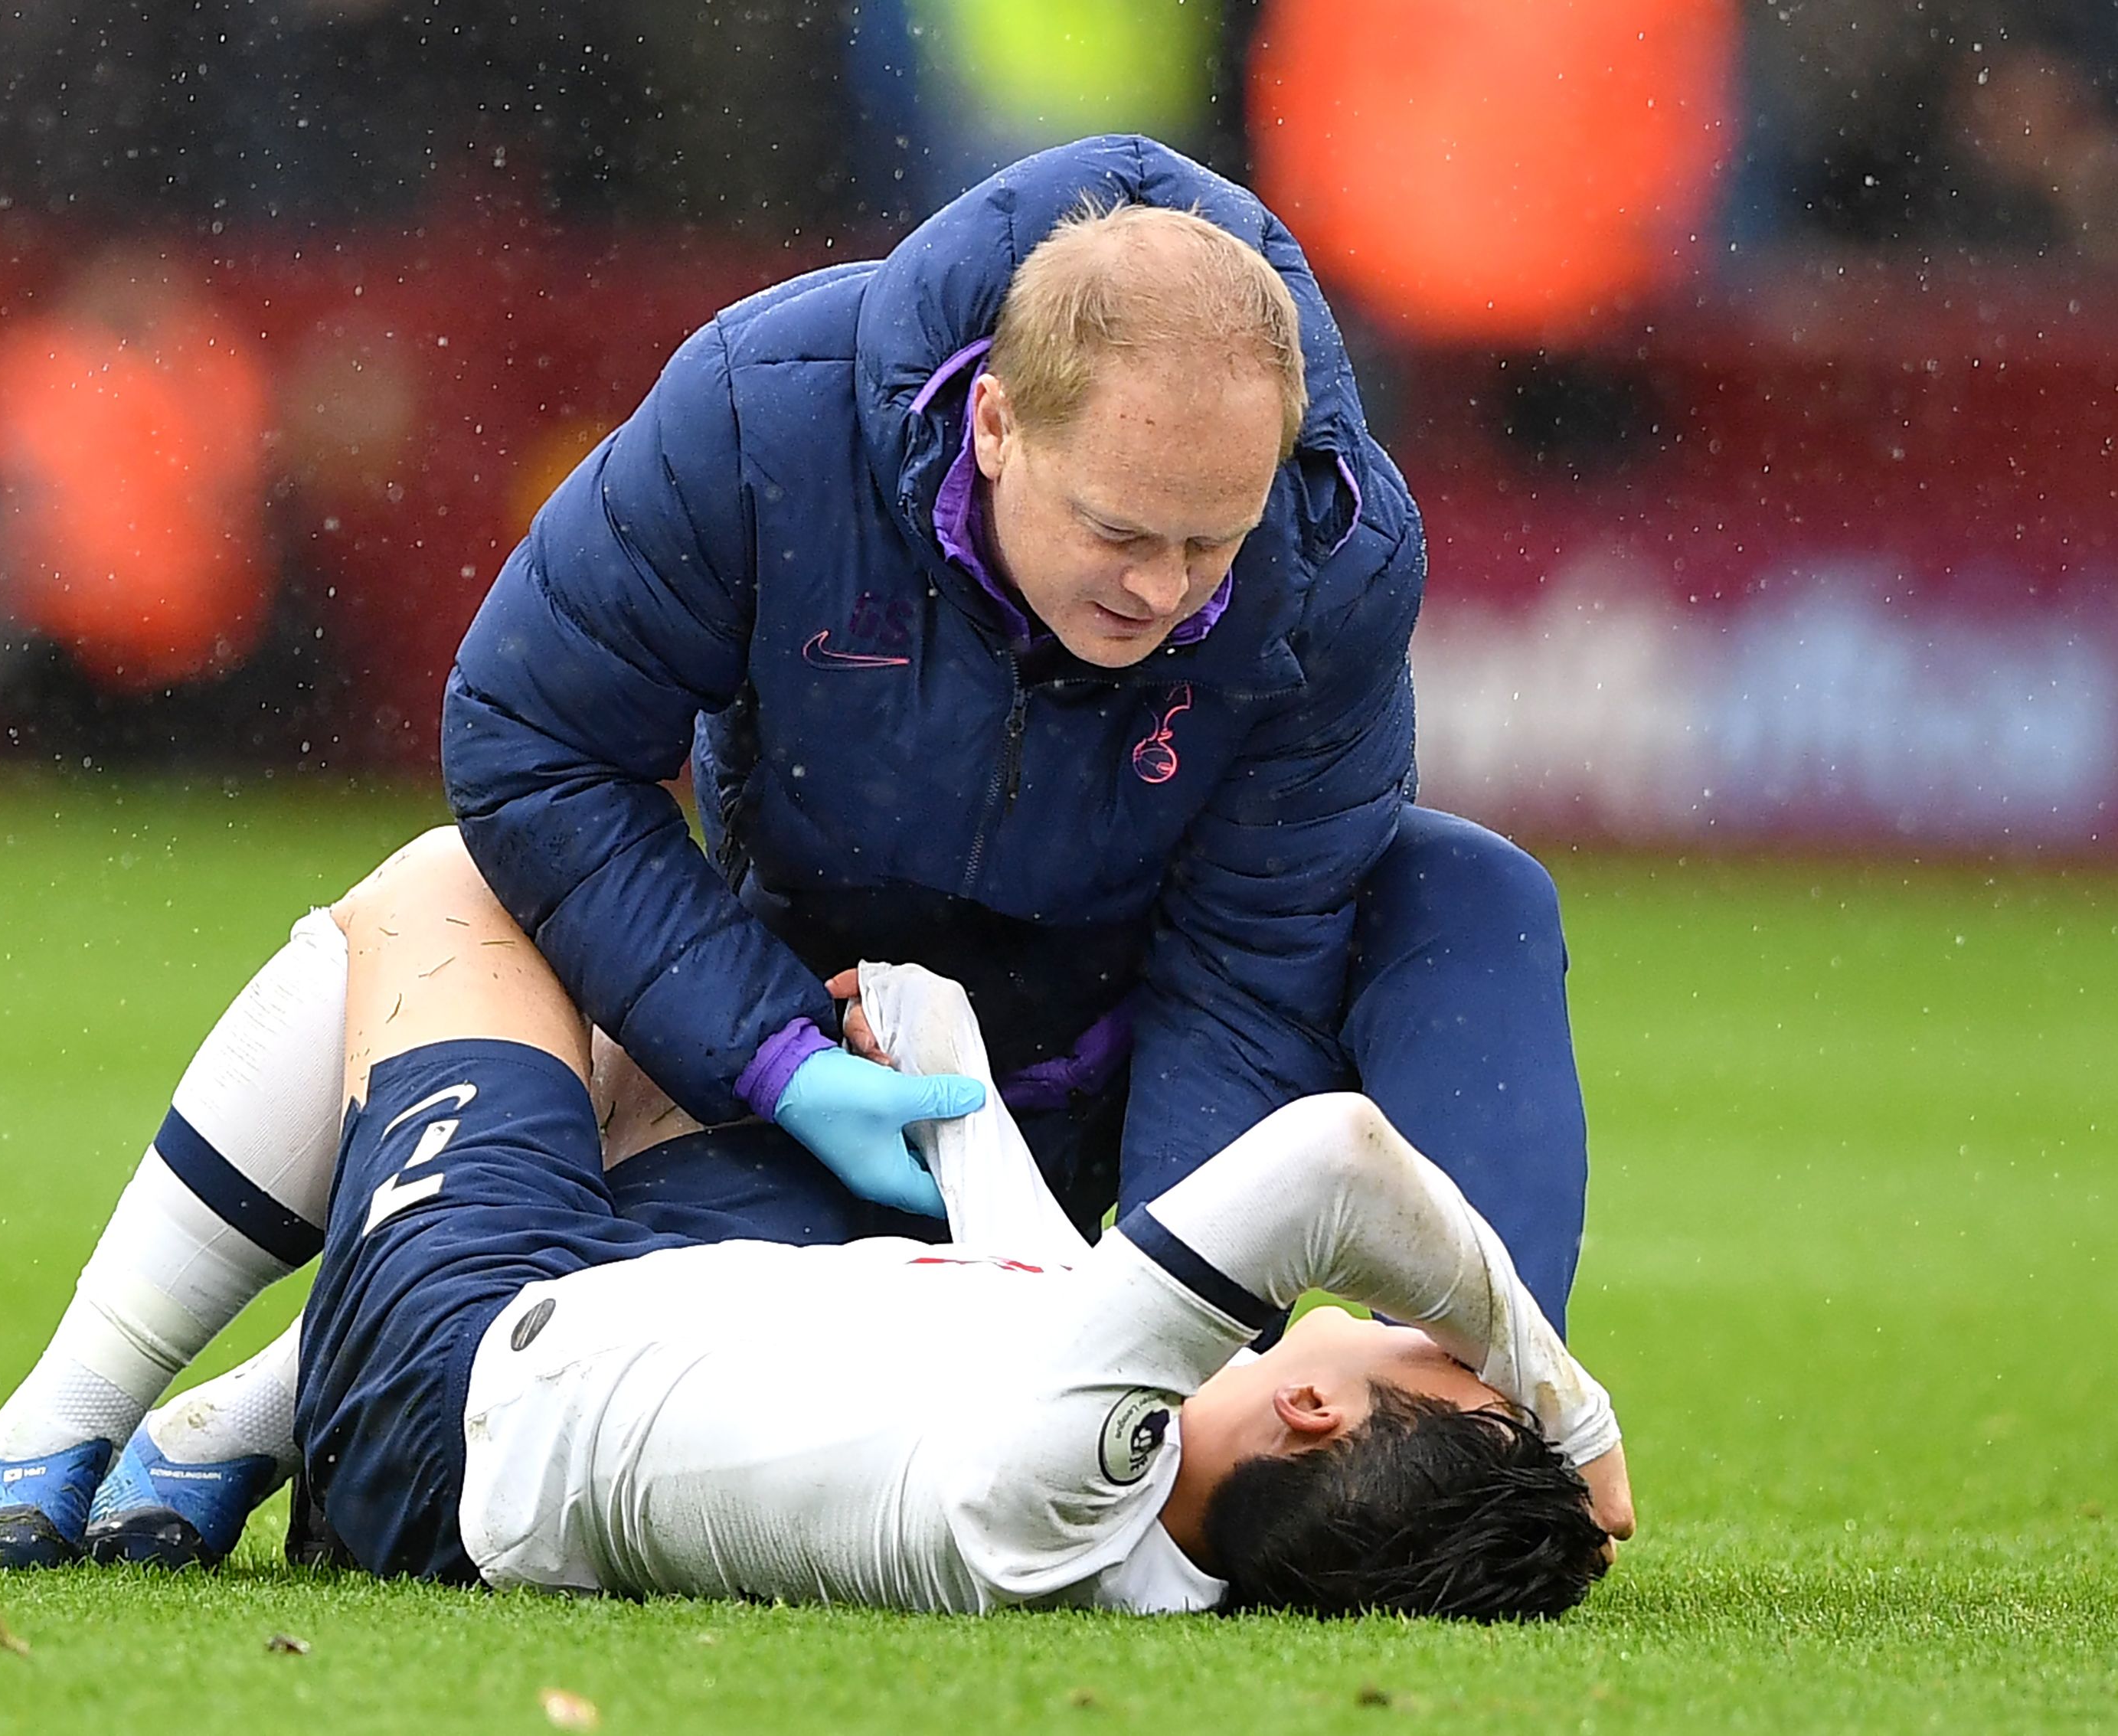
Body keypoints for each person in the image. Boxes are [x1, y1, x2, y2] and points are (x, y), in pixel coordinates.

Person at [0, 833, 1634, 1613]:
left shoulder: (1057, 1479)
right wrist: (926, 1033)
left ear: (1319, 1412)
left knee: (458, 888)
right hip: (529, 1398)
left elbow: (1326, 1159)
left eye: (1436, 1371)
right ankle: (202, 1451)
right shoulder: (1128, 1483)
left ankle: (47, 1446)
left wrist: (1562, 1401)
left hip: (465, 1381)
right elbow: (1013, 1241)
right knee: (661, 1043)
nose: (1439, 1339)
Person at [442, 134, 1597, 1336]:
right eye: (1120, 530)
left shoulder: (1332, 550)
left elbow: (1256, 960)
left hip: (1134, 1044)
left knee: (1469, 892)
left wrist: (1174, 1324)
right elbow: (530, 739)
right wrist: (772, 1055)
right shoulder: (756, 423)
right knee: (712, 1382)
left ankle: (1480, 1429)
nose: (1165, 590)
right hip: (843, 1047)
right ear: (993, 423)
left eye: (1213, 543)